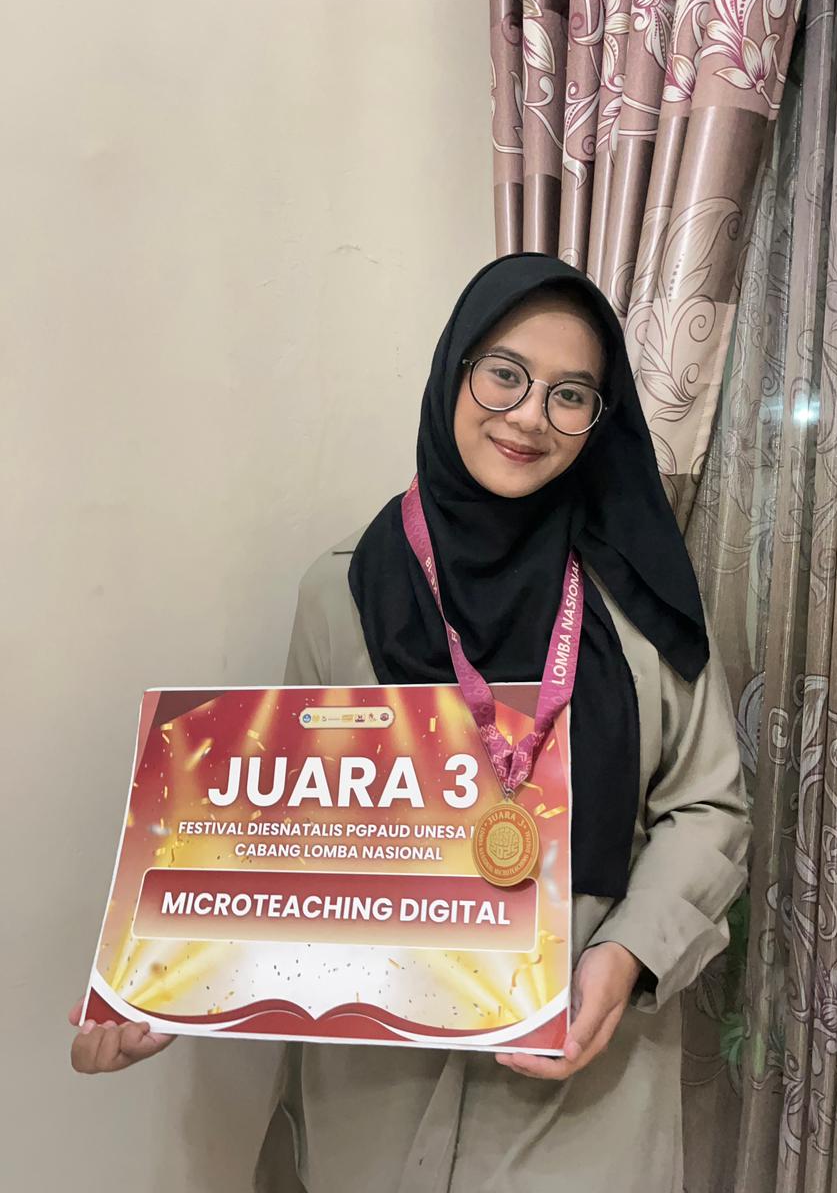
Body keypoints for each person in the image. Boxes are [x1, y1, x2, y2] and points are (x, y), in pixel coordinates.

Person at [70, 253, 750, 1193]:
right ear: (453, 371)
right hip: (376, 1087)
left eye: (570, 395)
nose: (529, 416)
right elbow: (293, 831)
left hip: (578, 1079)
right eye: (505, 373)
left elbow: (708, 806)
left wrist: (627, 956)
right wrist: (166, 982)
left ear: (600, 418)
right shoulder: (344, 590)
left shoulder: (642, 598)